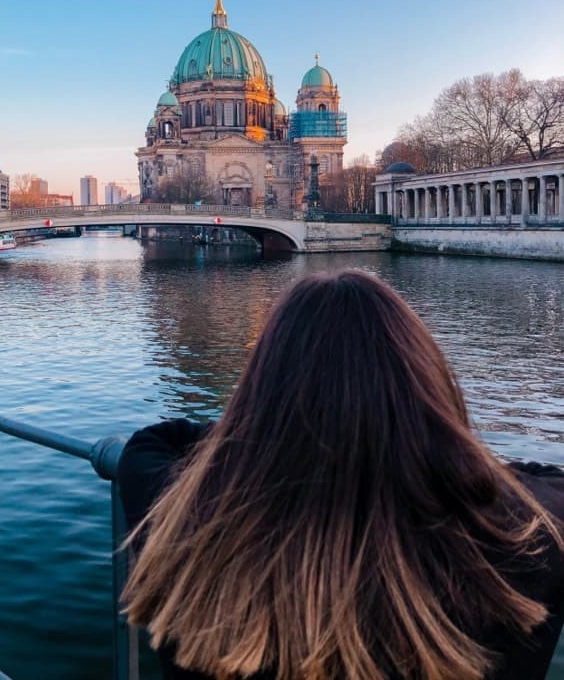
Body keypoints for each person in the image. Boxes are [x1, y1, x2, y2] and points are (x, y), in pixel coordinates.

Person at [118, 270, 564, 680]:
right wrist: (432, 449)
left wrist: (269, 432)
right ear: (428, 384)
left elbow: (155, 443)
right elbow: (541, 474)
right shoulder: (536, 534)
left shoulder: (177, 514)